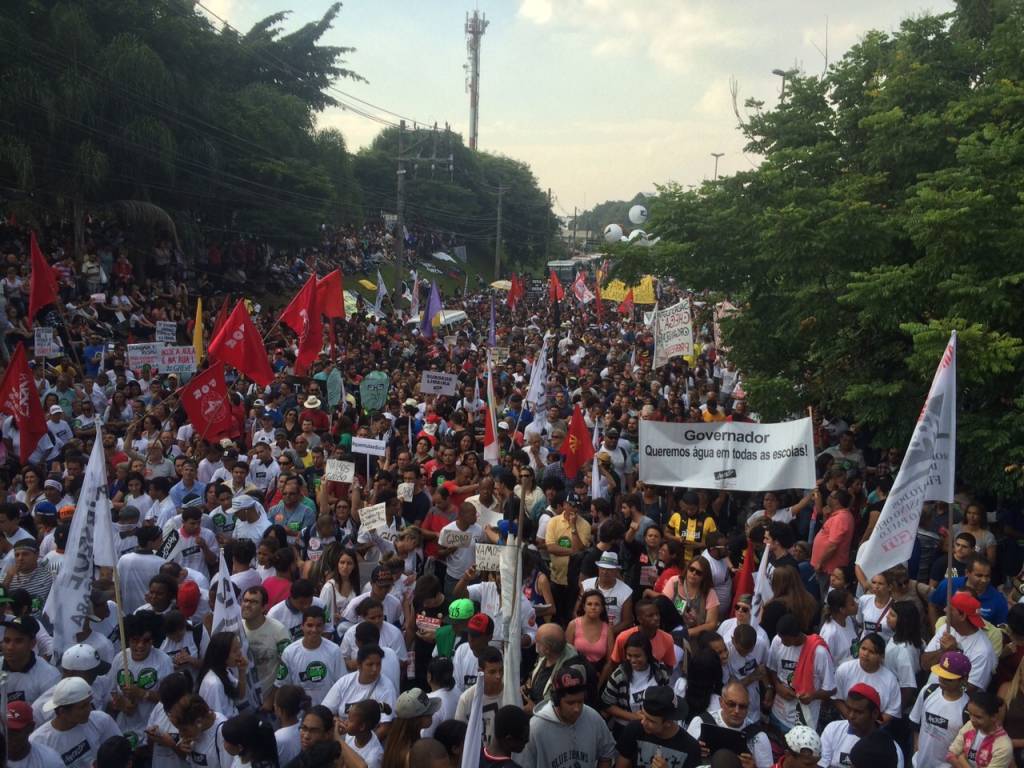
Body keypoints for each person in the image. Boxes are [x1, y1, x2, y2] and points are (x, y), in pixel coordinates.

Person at [519, 667, 616, 768]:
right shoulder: (535, 729)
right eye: (570, 703)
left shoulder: (594, 718)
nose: (577, 709)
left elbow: (606, 754)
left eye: (580, 702)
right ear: (556, 701)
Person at [29, 678, 121, 768]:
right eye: (83, 706)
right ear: (62, 711)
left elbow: (121, 753)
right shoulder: (38, 741)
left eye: (89, 703)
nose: (89, 709)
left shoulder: (101, 721)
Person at [767, 614, 836, 733]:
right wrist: (777, 686)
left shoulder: (819, 653)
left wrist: (812, 696)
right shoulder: (777, 641)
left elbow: (832, 689)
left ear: (795, 636)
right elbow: (772, 669)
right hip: (778, 715)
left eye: (785, 640)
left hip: (803, 722)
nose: (782, 642)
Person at [685, 681, 774, 768]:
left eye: (742, 706)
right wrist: (695, 751)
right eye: (731, 704)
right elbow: (684, 758)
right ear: (721, 702)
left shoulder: (759, 738)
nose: (736, 711)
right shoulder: (700, 722)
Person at [920, 592, 997, 692]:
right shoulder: (945, 629)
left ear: (962, 616)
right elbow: (924, 664)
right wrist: (943, 651)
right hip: (929, 694)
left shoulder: (983, 651)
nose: (944, 610)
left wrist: (953, 653)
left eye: (950, 609)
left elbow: (969, 690)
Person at [911, 651, 972, 768]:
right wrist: (917, 753)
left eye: (949, 678)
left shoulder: (968, 710)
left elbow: (966, 748)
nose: (942, 680)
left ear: (963, 679)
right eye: (941, 675)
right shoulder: (928, 691)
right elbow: (915, 725)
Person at [601, 632, 672, 732]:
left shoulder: (660, 671)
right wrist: (633, 716)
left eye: (637, 656)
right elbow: (607, 705)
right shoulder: (619, 676)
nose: (633, 660)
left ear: (647, 654)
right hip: (625, 729)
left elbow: (667, 699)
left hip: (653, 730)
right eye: (629, 655)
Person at [820, 683, 903, 768]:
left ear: (874, 714)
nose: (851, 716)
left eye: (858, 712)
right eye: (848, 709)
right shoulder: (833, 730)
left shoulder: (889, 750)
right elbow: (820, 764)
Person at [617, 685, 701, 768]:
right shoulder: (633, 729)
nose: (643, 722)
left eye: (650, 721)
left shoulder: (690, 748)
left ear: (668, 722)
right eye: (643, 714)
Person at [276, 607, 345, 706]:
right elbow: (282, 685)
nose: (314, 630)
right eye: (310, 625)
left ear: (324, 627)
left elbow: (341, 684)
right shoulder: (289, 652)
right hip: (298, 712)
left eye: (318, 625)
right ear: (302, 626)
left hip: (327, 710)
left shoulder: (334, 650)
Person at [545, 491, 592, 625]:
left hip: (575, 581)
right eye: (571, 505)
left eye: (577, 506)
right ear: (565, 505)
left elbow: (579, 551)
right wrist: (572, 551)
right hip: (556, 578)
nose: (574, 509)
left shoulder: (585, 525)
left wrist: (573, 527)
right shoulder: (553, 522)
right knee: (556, 615)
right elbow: (551, 547)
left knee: (570, 616)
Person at [833, 633, 902, 723]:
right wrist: (852, 719)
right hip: (847, 723)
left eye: (872, 652)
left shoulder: (890, 680)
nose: (865, 654)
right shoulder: (844, 669)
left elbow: (892, 711)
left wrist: (872, 726)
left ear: (881, 656)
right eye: (863, 648)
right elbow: (837, 698)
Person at [929, 555, 1008, 628]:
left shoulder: (998, 600)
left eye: (987, 576)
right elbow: (933, 604)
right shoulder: (948, 585)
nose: (984, 580)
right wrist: (936, 630)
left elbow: (1002, 628)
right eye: (979, 575)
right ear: (967, 573)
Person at [946, 691, 1013, 768]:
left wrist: (962, 759)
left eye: (978, 717)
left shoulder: (1003, 746)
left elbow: (957, 756)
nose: (972, 719)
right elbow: (951, 755)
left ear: (994, 717)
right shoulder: (970, 725)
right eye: (970, 714)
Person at [659, 555, 720, 637]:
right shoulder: (674, 581)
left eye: (699, 572)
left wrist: (686, 633)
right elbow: (663, 605)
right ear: (687, 569)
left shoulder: (709, 592)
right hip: (670, 630)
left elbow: (711, 624)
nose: (693, 573)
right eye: (691, 569)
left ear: (704, 576)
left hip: (696, 636)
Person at [454, 647, 504, 743]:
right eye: (492, 672)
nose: (498, 676)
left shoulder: (509, 694)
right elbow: (459, 736)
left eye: (501, 670)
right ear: (480, 672)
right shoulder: (466, 699)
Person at [381, 689, 440, 768]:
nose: (432, 714)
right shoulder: (410, 755)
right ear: (416, 720)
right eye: (428, 714)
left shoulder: (395, 740)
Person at [197, 631, 249, 719]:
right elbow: (217, 719)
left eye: (239, 648)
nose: (240, 653)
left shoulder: (224, 671)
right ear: (222, 654)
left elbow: (240, 695)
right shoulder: (214, 684)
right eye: (234, 651)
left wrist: (242, 672)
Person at [6, 701, 63, 768]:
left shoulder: (50, 760)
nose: (7, 736)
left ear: (30, 728)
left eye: (14, 731)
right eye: (4, 730)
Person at [567, 589, 613, 671]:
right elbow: (566, 655)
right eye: (589, 604)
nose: (593, 607)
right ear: (584, 607)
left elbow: (609, 662)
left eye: (597, 604)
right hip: (574, 674)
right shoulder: (573, 625)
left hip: (598, 676)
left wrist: (599, 683)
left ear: (602, 608)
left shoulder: (608, 630)